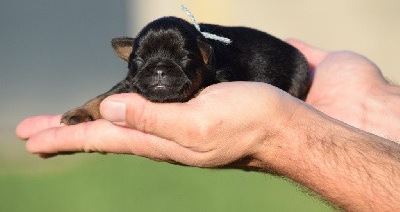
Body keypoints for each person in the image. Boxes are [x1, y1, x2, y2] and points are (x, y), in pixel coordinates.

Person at [16, 40, 400, 211]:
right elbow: (121, 89)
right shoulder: (141, 72)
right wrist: (91, 109)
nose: (162, 73)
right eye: (146, 63)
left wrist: (284, 127)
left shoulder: (220, 68)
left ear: (203, 57)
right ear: (130, 58)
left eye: (178, 62)